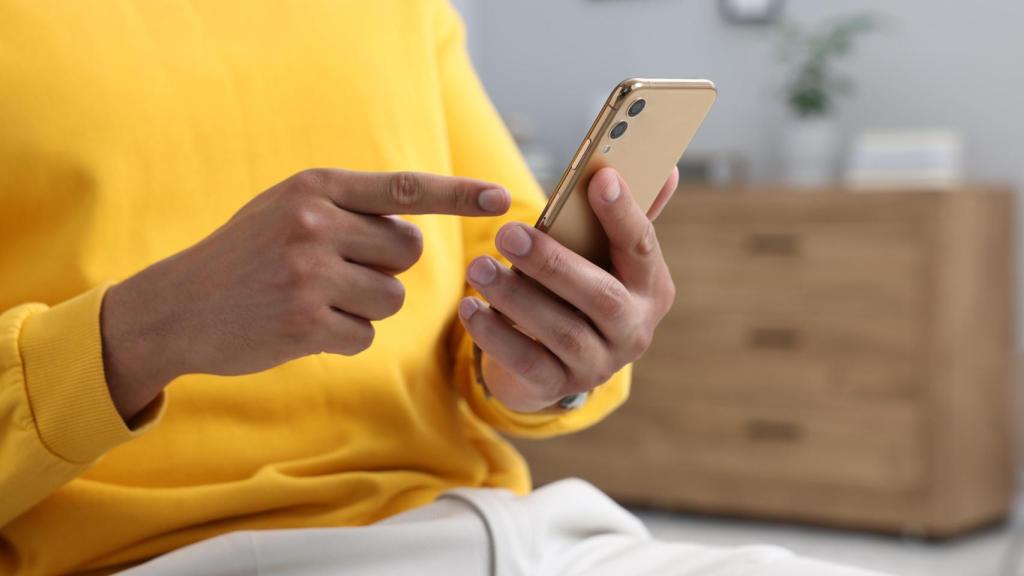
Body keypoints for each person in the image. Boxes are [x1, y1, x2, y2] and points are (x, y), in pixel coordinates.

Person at [0, 2, 890, 575]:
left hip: (509, 537)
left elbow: (487, 310)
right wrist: (143, 333)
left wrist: (543, 361)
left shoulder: (405, 11)